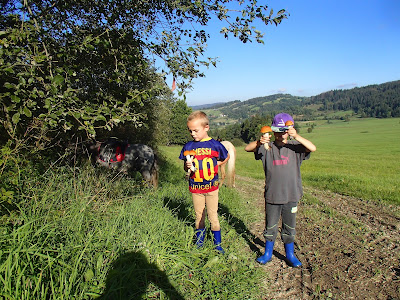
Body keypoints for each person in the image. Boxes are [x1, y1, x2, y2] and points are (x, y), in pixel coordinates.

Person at [244, 113, 316, 267]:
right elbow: (247, 148)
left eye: (284, 131)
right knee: (270, 226)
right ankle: (267, 253)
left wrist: (296, 136)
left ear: (289, 130)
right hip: (272, 195)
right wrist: (259, 141)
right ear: (273, 131)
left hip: (291, 195)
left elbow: (313, 148)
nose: (281, 134)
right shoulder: (266, 148)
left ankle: (290, 254)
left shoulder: (295, 148)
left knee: (289, 227)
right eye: (278, 131)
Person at [179, 111, 229, 253]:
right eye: (190, 131)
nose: (193, 134)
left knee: (213, 216)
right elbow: (185, 168)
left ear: (206, 127)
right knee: (199, 215)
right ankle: (199, 243)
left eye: (196, 130)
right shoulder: (188, 146)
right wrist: (186, 166)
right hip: (196, 188)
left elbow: (226, 156)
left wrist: (217, 164)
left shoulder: (215, 145)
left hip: (212, 187)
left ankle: (217, 245)